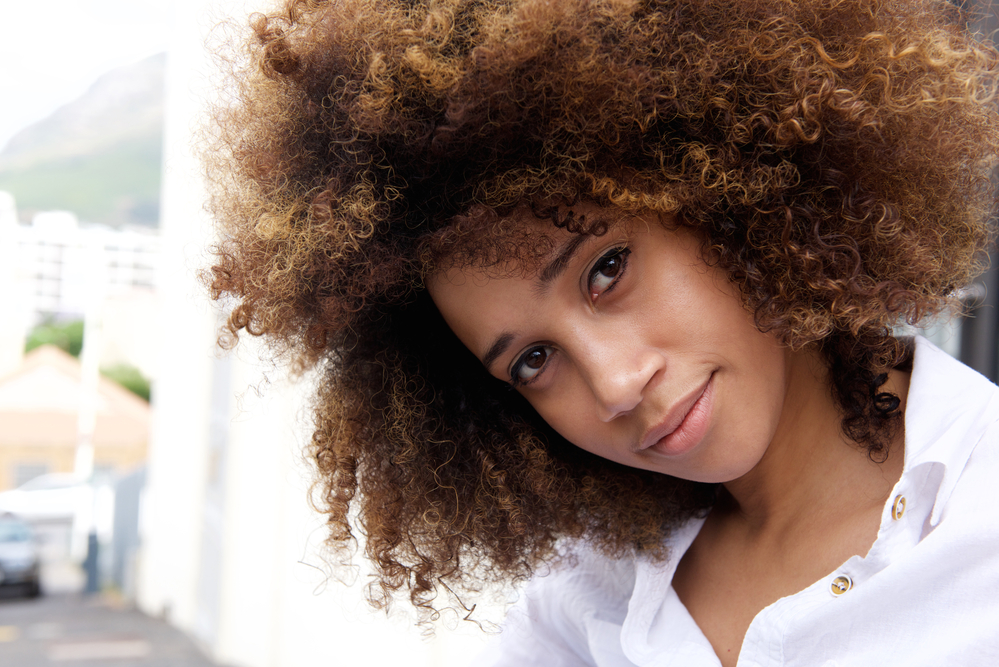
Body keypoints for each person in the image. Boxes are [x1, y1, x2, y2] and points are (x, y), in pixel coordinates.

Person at [206, 0, 999, 664]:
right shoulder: (584, 598)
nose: (617, 384)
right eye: (534, 360)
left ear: (731, 190)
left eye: (607, 269)